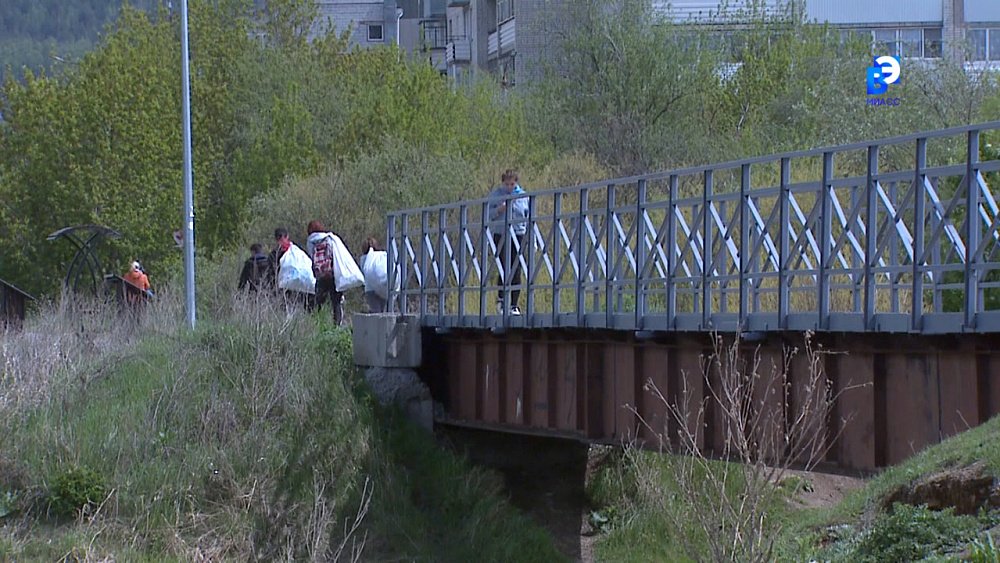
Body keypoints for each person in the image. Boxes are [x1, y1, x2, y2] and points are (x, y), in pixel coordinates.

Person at [486, 169, 529, 315]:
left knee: (517, 269)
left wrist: (531, 238)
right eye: (507, 184)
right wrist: (499, 209)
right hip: (501, 233)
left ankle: (514, 305)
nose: (509, 187)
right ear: (502, 183)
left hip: (518, 234)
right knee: (504, 268)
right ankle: (502, 301)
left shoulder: (523, 196)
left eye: (512, 184)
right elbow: (488, 214)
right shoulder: (496, 195)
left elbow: (528, 216)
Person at [306, 220, 346, 325]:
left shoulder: (310, 241)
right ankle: (337, 325)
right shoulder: (330, 238)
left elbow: (311, 257)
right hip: (332, 274)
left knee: (318, 301)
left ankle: (316, 323)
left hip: (320, 275)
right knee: (336, 302)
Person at [271, 227, 313, 309]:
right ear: (287, 236)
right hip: (301, 286)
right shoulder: (298, 250)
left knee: (286, 309)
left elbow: (271, 272)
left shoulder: (274, 254)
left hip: (284, 288)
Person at [359, 237, 389, 313]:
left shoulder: (364, 259)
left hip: (370, 289)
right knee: (383, 312)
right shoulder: (382, 256)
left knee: (376, 312)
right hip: (384, 287)